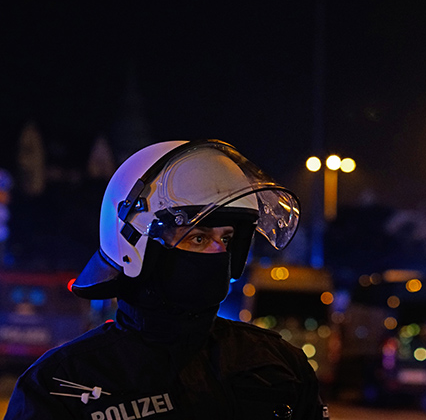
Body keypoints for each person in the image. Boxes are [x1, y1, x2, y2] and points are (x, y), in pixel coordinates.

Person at [5, 139, 327, 419]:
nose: (218, 252)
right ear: (134, 245)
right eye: (198, 238)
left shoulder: (278, 365)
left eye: (227, 239)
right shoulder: (64, 384)